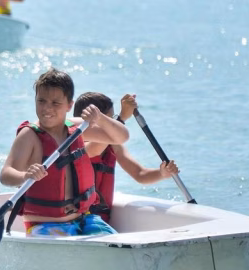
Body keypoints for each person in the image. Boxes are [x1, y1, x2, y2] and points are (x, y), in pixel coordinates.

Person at [0, 68, 129, 237]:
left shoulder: (76, 127)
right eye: (41, 101)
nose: (47, 108)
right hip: (45, 224)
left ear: (69, 105)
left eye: (55, 103)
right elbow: (6, 175)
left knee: (116, 245)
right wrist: (25, 175)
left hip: (85, 219)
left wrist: (100, 118)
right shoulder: (29, 136)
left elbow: (122, 137)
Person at [73, 92, 180, 224]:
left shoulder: (114, 147)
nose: (114, 125)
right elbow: (95, 148)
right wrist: (122, 118)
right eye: (110, 120)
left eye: (113, 119)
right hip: (76, 219)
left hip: (101, 220)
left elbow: (140, 174)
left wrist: (162, 173)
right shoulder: (74, 146)